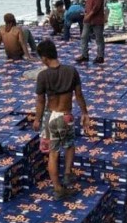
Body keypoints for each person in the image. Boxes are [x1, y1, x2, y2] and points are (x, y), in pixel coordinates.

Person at [33, 39, 90, 200]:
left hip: (51, 116)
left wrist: (37, 119)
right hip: (66, 116)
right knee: (70, 145)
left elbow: (40, 101)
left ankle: (58, 188)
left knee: (53, 153)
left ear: (44, 58)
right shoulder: (71, 71)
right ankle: (67, 174)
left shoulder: (43, 76)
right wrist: (85, 113)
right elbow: (79, 95)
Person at [75, 0, 106, 64]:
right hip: (88, 19)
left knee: (99, 39)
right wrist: (85, 14)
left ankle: (100, 56)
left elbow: (96, 8)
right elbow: (88, 6)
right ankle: (84, 55)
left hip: (97, 20)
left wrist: (88, 16)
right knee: (84, 36)